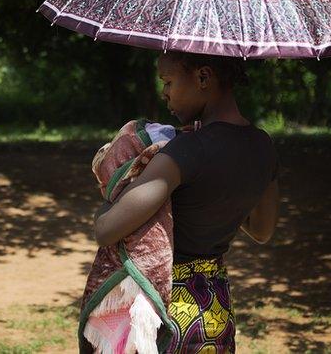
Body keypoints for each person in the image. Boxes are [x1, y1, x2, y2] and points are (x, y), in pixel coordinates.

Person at [92, 50, 280, 353]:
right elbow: (261, 230)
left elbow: (106, 230)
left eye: (168, 82)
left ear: (203, 77)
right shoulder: (263, 145)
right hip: (214, 311)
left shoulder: (186, 150)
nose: (164, 93)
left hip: (162, 311)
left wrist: (114, 184)